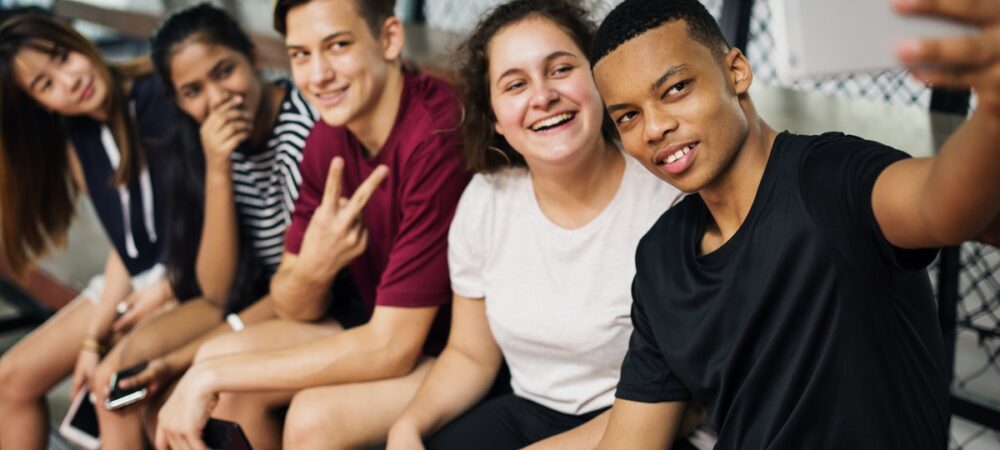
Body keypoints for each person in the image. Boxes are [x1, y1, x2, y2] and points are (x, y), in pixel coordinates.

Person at [587, 0, 1000, 448]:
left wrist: (994, 109)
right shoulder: (661, 257)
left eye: (676, 89)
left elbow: (940, 205)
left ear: (737, 72)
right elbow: (631, 438)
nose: (654, 127)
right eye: (628, 115)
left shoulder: (827, 178)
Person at [385, 1, 709, 449]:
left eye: (560, 69)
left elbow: (687, 398)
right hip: (526, 410)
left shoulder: (669, 201)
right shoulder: (486, 200)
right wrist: (408, 426)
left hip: (649, 424)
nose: (542, 96)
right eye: (515, 84)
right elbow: (470, 354)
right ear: (496, 118)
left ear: (600, 78)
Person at [154, 0, 470, 448]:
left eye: (337, 46)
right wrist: (313, 268)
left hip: (455, 354)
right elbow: (291, 300)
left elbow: (394, 348)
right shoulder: (327, 137)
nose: (317, 75)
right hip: (372, 323)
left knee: (309, 417)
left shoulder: (435, 135)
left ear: (389, 39)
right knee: (218, 358)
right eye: (301, 54)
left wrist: (207, 376)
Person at [87, 4, 322, 448]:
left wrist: (182, 358)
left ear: (252, 56)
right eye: (193, 90)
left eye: (224, 71)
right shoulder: (202, 141)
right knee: (127, 372)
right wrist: (217, 168)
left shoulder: (301, 134)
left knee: (210, 391)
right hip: (249, 293)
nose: (216, 98)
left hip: (304, 300)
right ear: (177, 99)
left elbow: (304, 289)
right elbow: (215, 288)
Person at [0, 13, 184, 450]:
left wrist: (153, 299)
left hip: (182, 281)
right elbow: (127, 246)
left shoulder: (158, 97)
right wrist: (92, 336)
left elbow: (202, 232)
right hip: (132, 282)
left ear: (76, 40)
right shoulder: (79, 138)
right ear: (39, 104)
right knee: (10, 379)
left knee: (111, 387)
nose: (69, 80)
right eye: (46, 84)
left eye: (64, 58)